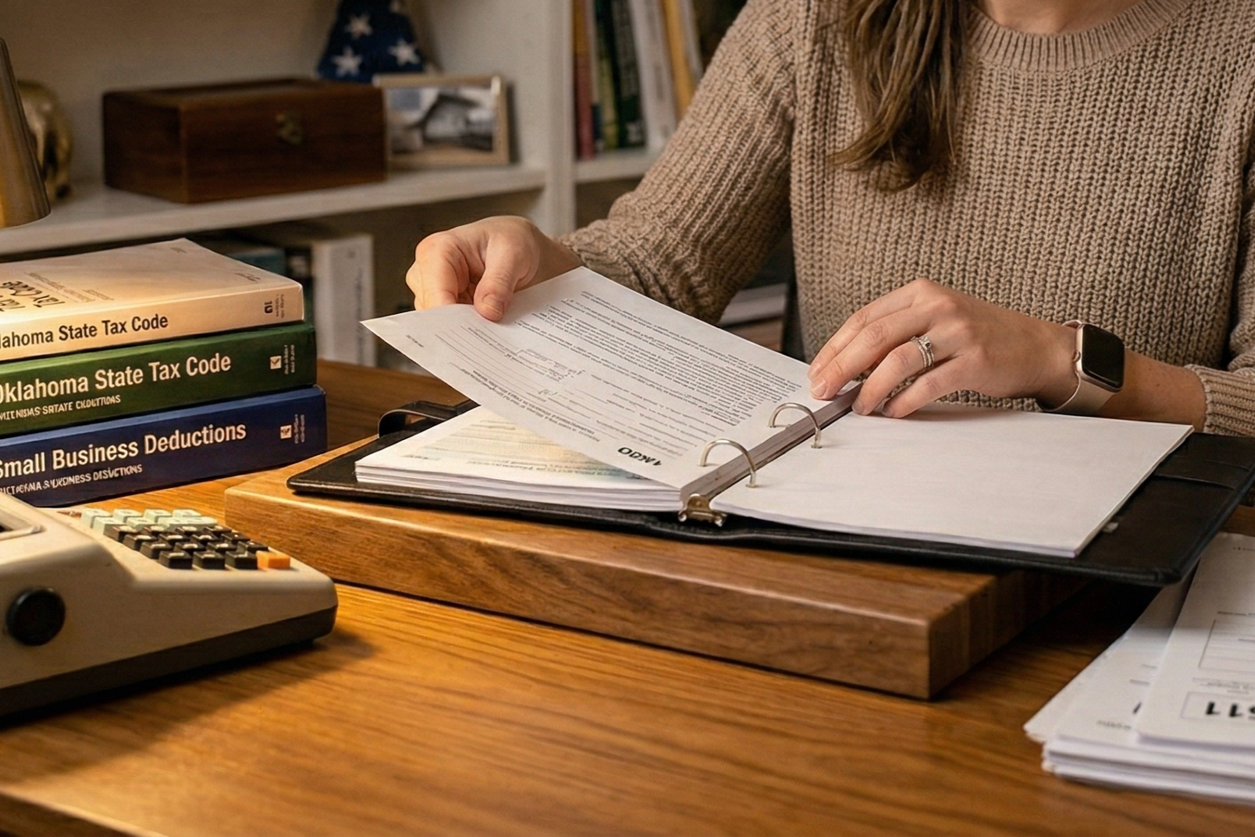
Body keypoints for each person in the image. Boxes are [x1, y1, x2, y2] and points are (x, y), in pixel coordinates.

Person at [406, 0, 1255, 436]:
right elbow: (659, 263)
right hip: (837, 553)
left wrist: (1060, 359)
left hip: (1126, 595)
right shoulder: (815, 19)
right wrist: (538, 264)